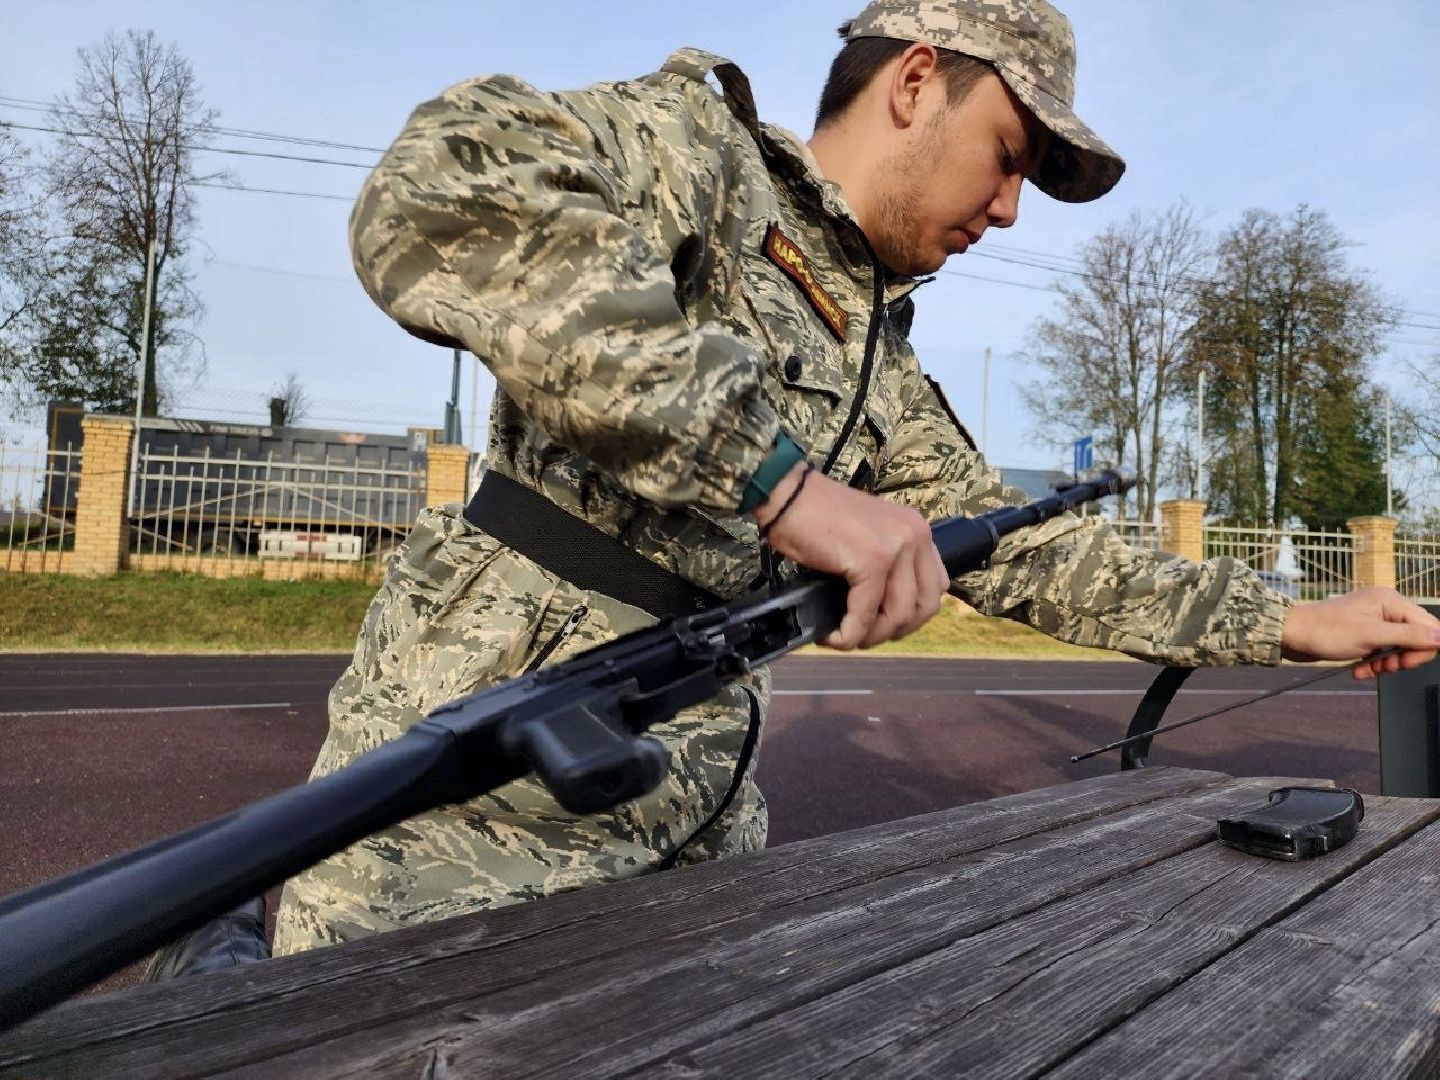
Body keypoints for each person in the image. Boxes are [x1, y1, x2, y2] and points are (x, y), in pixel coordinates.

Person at [273, 0, 1440, 955]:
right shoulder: (706, 161)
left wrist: (1295, 621)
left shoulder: (876, 348)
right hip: (457, 834)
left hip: (688, 855)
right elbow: (445, 179)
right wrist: (780, 484)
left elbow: (1029, 546)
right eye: (1007, 156)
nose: (1008, 206)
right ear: (918, 80)